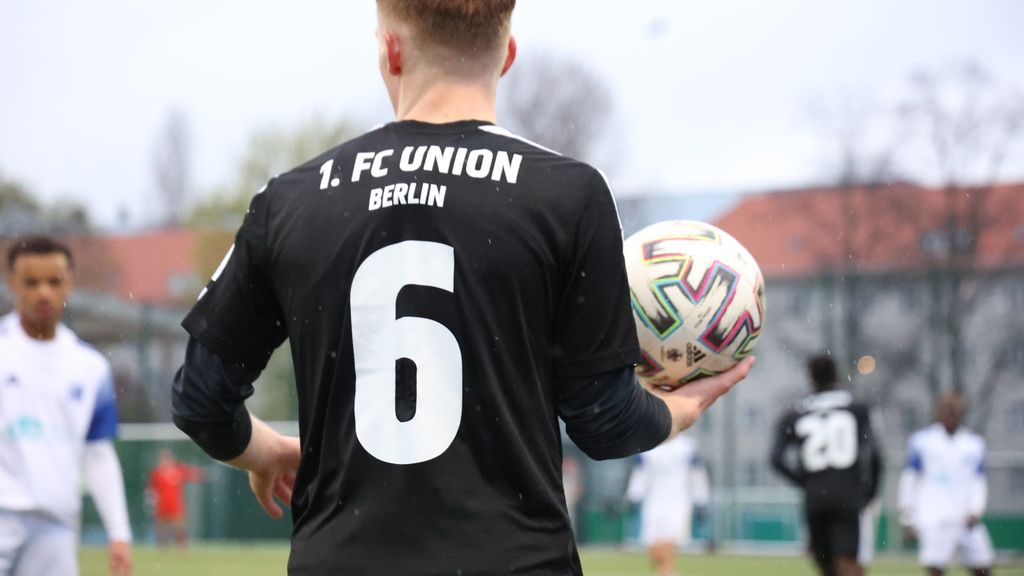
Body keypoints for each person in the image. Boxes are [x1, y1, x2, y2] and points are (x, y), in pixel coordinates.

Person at [171, 1, 754, 573]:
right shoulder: (567, 195)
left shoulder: (293, 199)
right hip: (512, 560)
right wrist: (679, 408)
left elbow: (201, 400)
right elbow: (603, 422)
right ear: (508, 54)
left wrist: (264, 451)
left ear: (390, 50)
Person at [0, 236, 133, 576]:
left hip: (56, 528)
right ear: (12, 283)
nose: (43, 292)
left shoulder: (90, 368)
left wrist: (119, 533)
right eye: (31, 282)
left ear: (70, 283)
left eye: (54, 281)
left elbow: (98, 453)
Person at [770, 354, 882, 576]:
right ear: (836, 375)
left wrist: (804, 481)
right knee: (849, 561)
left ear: (811, 377)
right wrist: (869, 492)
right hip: (847, 492)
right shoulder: (856, 407)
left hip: (815, 495)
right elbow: (875, 454)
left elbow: (775, 458)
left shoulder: (796, 411)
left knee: (825, 563)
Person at [898, 393, 995, 576]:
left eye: (955, 410)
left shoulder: (974, 444)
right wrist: (908, 518)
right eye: (946, 410)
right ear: (939, 412)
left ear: (962, 413)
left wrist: (976, 510)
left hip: (965, 518)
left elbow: (979, 481)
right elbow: (909, 479)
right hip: (934, 516)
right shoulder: (922, 441)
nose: (950, 414)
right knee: (936, 568)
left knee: (983, 565)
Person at [626, 433, 710, 576]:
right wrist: (632, 497)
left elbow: (697, 474)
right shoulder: (647, 446)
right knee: (654, 546)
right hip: (653, 501)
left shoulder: (687, 447)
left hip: (680, 500)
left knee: (671, 540)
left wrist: (701, 499)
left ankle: (668, 571)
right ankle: (665, 570)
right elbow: (640, 474)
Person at [147, 449, 206, 548]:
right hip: (162, 505)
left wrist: (203, 475)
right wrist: (150, 502)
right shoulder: (156, 473)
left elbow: (192, 474)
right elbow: (151, 489)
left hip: (175, 505)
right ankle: (162, 548)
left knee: (179, 528)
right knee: (161, 529)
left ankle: (181, 547)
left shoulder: (178, 470)